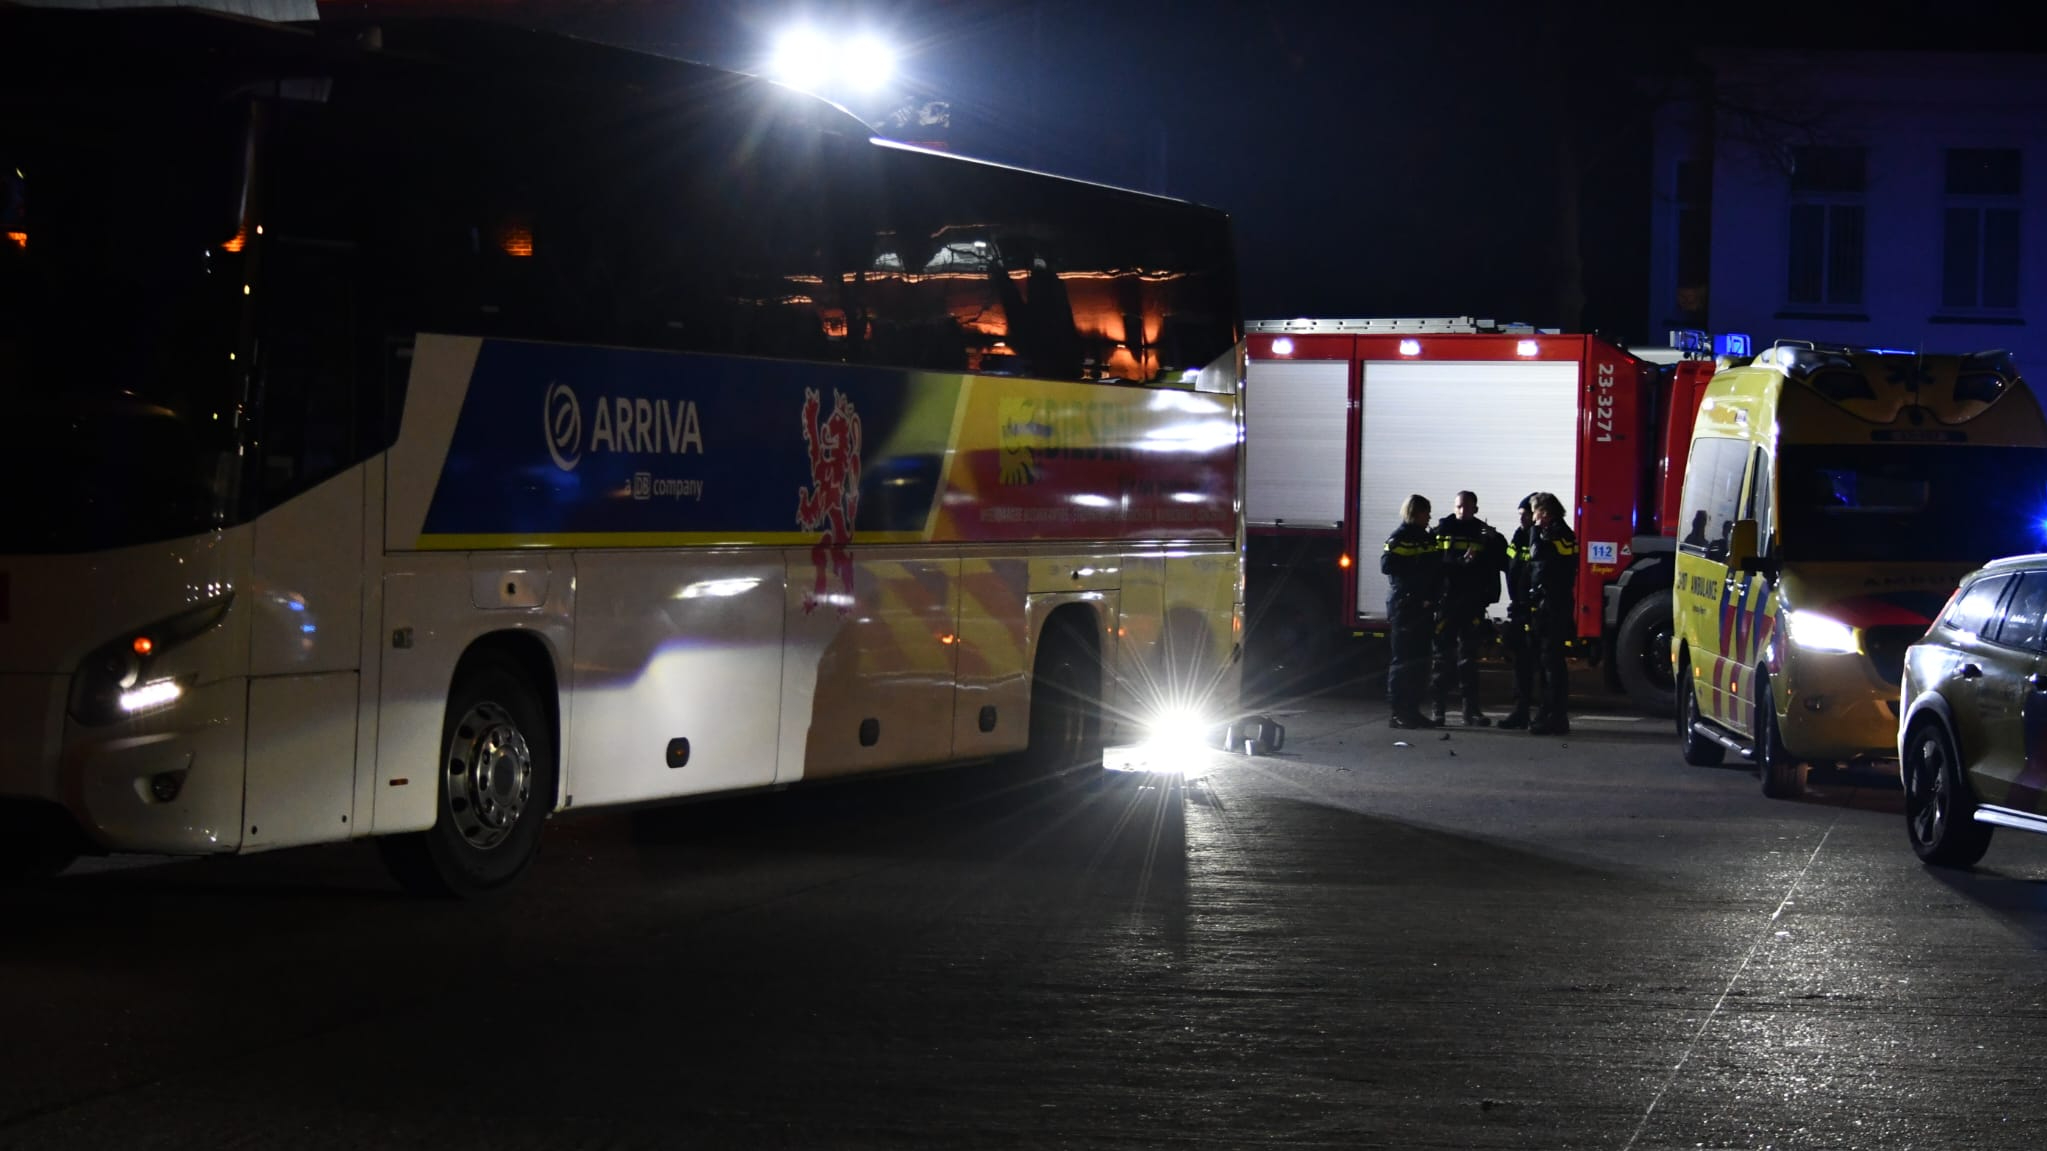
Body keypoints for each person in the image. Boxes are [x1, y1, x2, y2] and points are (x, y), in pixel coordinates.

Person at [1430, 490, 1508, 726]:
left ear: (1475, 508)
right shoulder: (1441, 531)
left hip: (1472, 604)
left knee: (1469, 659)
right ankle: (1438, 710)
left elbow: (1501, 561)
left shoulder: (1483, 534)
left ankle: (1471, 711)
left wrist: (1495, 539)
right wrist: (1459, 562)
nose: (1462, 511)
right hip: (1447, 603)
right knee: (1442, 658)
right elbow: (1433, 564)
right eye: (1458, 507)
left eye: (1466, 507)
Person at [1382, 494, 1441, 729]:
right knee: (1403, 662)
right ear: (1415, 513)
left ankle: (1413, 710)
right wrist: (1416, 571)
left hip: (1423, 607)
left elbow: (1436, 568)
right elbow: (1387, 565)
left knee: (1420, 661)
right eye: (1426, 512)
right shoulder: (1400, 537)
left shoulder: (1427, 538)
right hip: (1405, 607)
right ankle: (1398, 712)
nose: (1429, 517)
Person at [1526, 491, 1578, 735]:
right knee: (1546, 662)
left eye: (1535, 512)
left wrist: (1536, 531)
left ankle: (1555, 715)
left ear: (1544, 513)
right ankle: (1549, 712)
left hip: (1553, 606)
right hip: (1548, 604)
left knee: (1551, 662)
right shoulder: (1560, 534)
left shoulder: (1556, 535)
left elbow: (1538, 555)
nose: (1533, 517)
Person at [1497, 492, 1542, 729]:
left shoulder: (1540, 538)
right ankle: (1520, 710)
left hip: (1535, 610)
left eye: (1525, 514)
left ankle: (1544, 712)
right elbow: (1510, 566)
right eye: (1520, 515)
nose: (1522, 519)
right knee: (1520, 663)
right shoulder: (1518, 536)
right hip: (1519, 608)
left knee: (1540, 663)